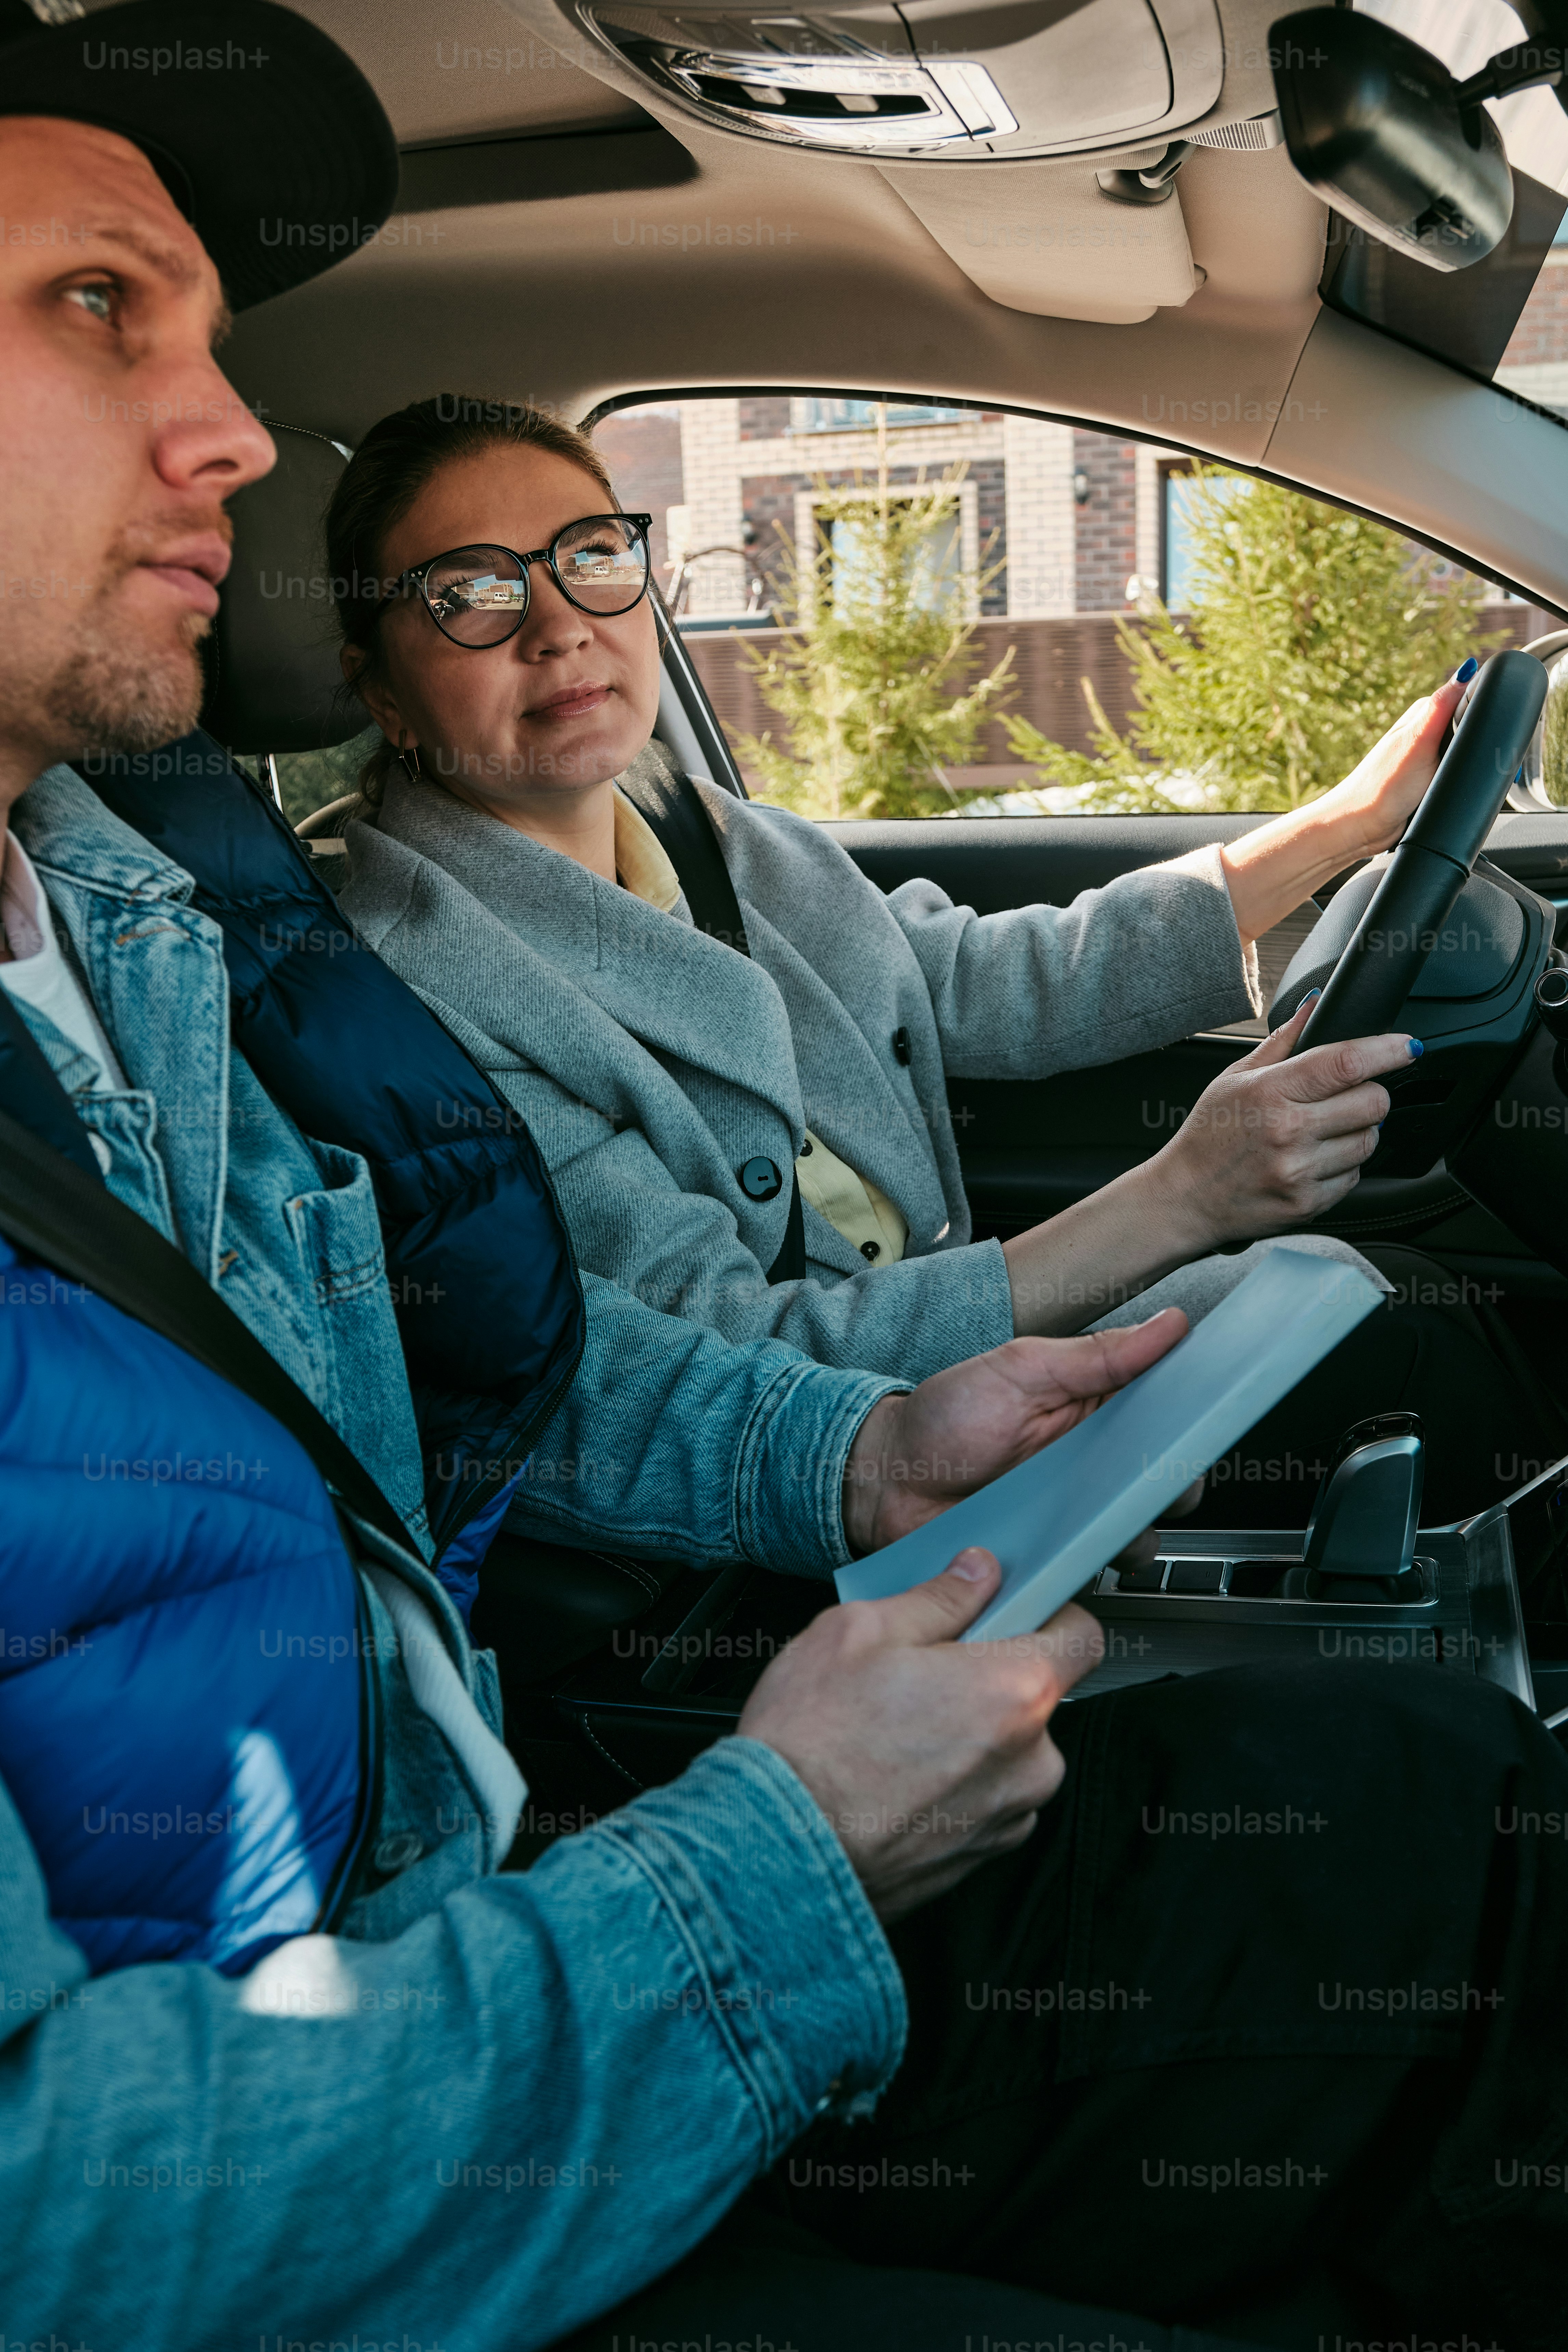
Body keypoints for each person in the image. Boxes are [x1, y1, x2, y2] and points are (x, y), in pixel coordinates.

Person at [0, 12, 1566, 2352]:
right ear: (376, 667)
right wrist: (773, 1853)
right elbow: (57, 2224)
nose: (223, 427)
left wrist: (861, 1444)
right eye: (91, 305)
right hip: (483, 1991)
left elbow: (478, 1376)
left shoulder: (124, 929)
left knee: (1428, 1784)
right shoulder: (368, 953)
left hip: (516, 1874)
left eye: (594, 557)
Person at [328, 399, 1559, 1529]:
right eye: (470, 592)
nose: (558, 626)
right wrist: (1182, 1196)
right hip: (847, 1451)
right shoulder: (405, 987)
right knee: (1399, 1352)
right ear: (380, 692)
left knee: (1375, 1301)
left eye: (592, 556)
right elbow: (732, 1354)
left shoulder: (695, 823)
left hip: (933, 1337)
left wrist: (1345, 821)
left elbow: (974, 981)